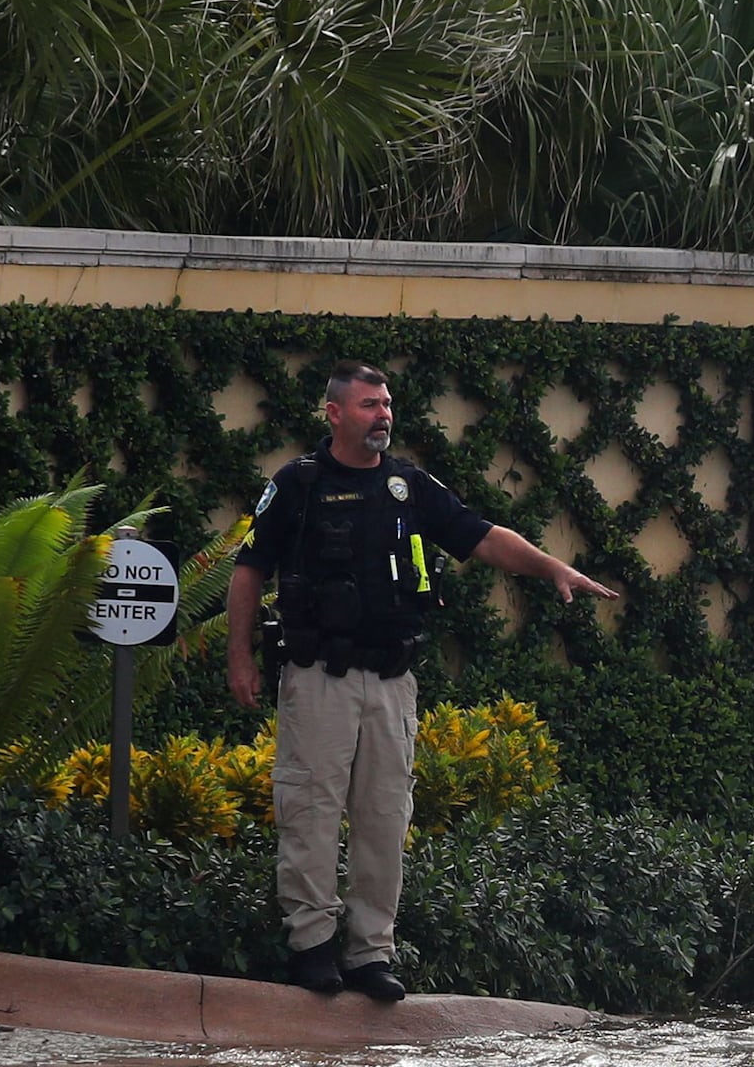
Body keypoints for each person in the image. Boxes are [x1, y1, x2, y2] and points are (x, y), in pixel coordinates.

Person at [229, 362, 619, 1004]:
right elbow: (249, 570)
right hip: (317, 677)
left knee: (384, 818)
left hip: (390, 682)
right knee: (311, 812)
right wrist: (239, 658)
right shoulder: (297, 484)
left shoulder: (408, 486)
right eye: (367, 405)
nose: (382, 415)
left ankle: (369, 954)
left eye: (386, 404)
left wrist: (553, 567)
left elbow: (480, 536)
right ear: (334, 414)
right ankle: (311, 948)